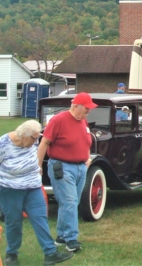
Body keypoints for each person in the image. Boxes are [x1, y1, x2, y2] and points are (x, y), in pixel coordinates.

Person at [0, 119, 73, 265]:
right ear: (24, 135)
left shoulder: (32, 141)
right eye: (34, 138)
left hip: (33, 187)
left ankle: (50, 253)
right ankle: (11, 254)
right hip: (10, 189)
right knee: (14, 221)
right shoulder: (3, 144)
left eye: (37, 138)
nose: (35, 142)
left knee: (40, 217)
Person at [37, 92, 96, 254]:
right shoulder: (58, 120)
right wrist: (38, 165)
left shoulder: (83, 121)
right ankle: (71, 239)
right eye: (86, 108)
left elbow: (86, 141)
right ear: (76, 106)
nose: (89, 111)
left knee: (71, 202)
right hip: (62, 166)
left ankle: (62, 236)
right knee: (69, 201)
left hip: (80, 167)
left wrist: (87, 158)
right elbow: (44, 143)